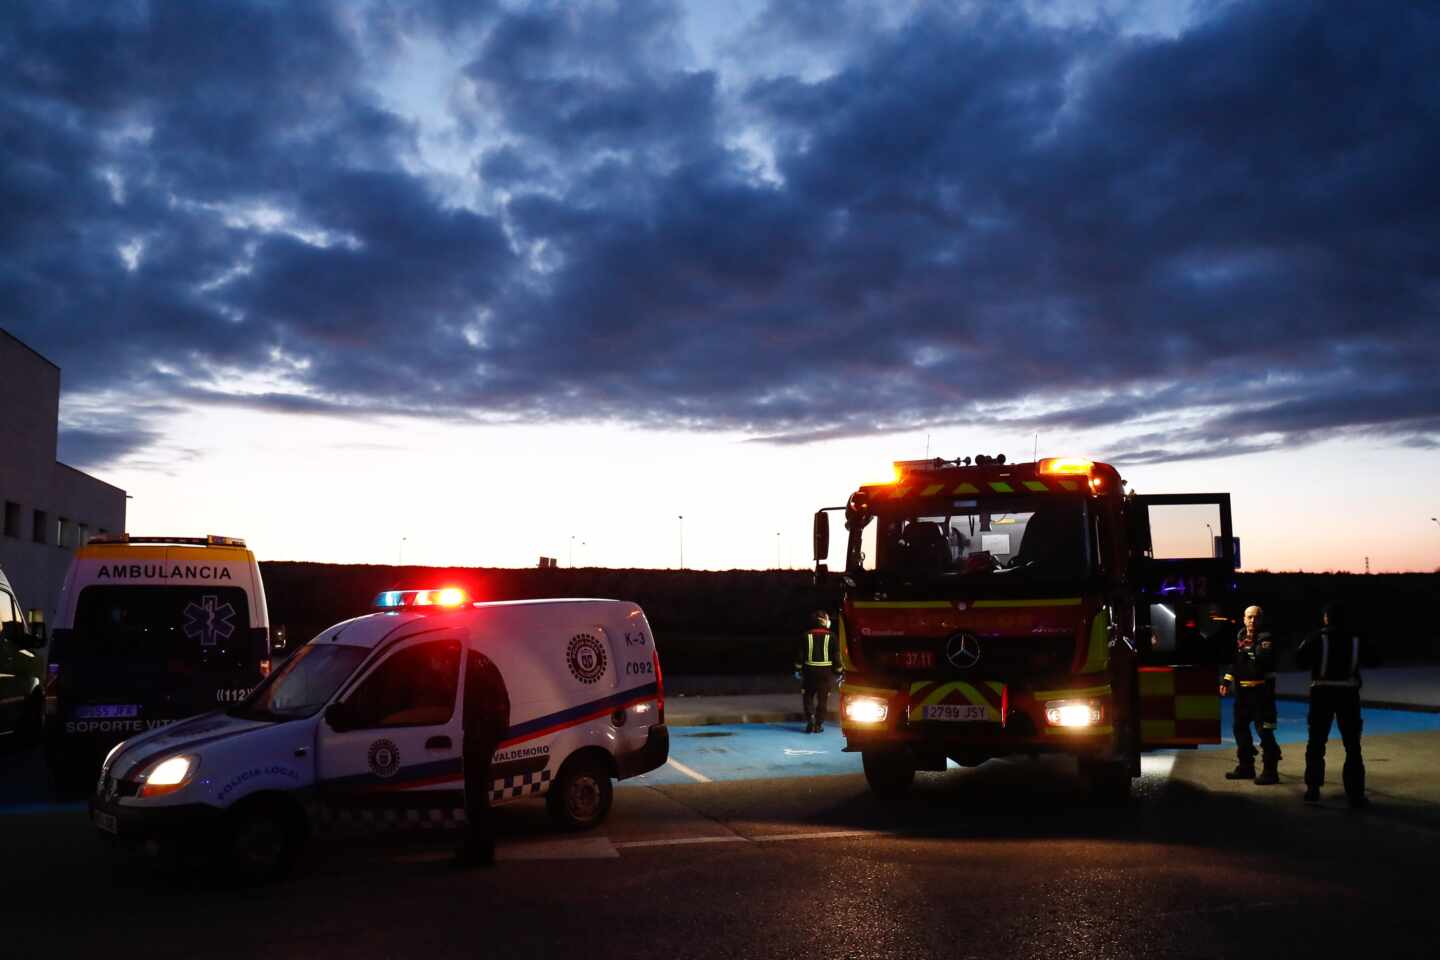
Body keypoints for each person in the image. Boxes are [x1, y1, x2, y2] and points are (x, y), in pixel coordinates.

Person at [1295, 602, 1380, 807]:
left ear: (1325, 618)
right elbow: (1375, 659)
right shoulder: (1356, 639)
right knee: (1352, 746)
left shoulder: (1315, 638)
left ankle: (1313, 789)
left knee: (1316, 743)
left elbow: (1299, 661)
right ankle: (1355, 794)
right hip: (1349, 695)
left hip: (1321, 694)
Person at [456, 648, 511, 866]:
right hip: (485, 734)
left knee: (476, 797)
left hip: (479, 737)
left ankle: (481, 852)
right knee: (477, 796)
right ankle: (480, 848)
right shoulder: (479, 661)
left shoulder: (470, 667)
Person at [1219, 605, 1281, 785]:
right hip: (1243, 694)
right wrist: (1226, 681)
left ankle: (1271, 771)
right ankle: (1246, 767)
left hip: (1262, 694)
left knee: (1265, 732)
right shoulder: (1240, 636)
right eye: (1249, 617)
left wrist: (1249, 647)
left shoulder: (1266, 638)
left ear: (1261, 620)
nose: (1252, 621)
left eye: (1256, 617)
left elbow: (1263, 661)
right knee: (1240, 729)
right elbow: (1235, 662)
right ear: (1244, 619)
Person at [795, 610, 841, 733]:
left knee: (808, 696)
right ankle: (819, 725)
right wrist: (838, 671)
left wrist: (798, 670)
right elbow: (836, 657)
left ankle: (810, 720)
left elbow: (800, 656)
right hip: (825, 673)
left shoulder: (806, 635)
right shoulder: (832, 636)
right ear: (824, 621)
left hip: (809, 672)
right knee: (823, 699)